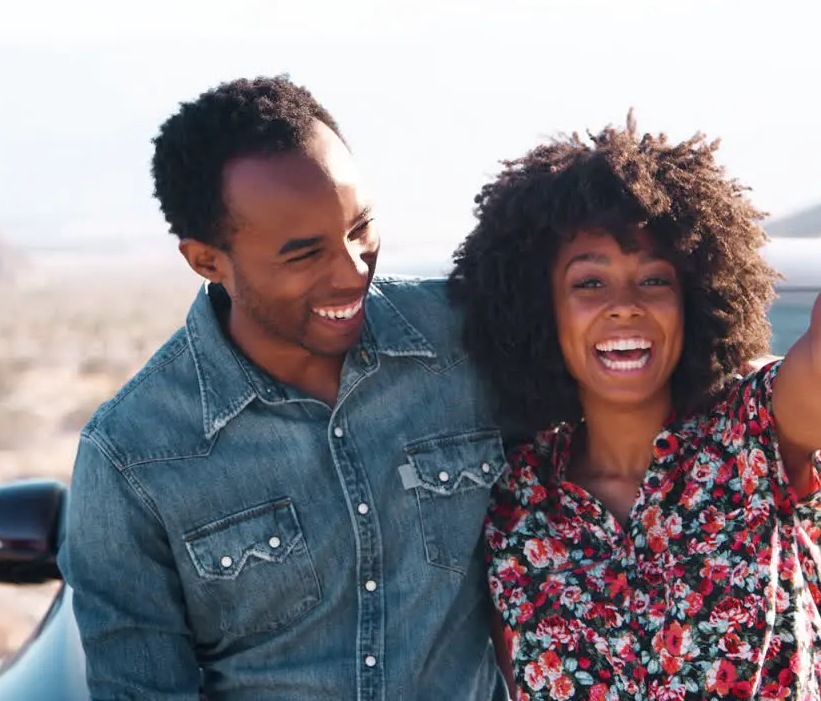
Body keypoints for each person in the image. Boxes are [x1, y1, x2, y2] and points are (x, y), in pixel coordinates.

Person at [446, 114, 821, 700]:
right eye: (590, 284)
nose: (624, 306)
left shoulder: (754, 438)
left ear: (695, 300)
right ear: (539, 310)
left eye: (654, 281)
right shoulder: (514, 502)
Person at [57, 75, 513, 700]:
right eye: (304, 254)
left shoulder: (470, 343)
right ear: (206, 260)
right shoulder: (133, 455)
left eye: (360, 228)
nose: (352, 271)